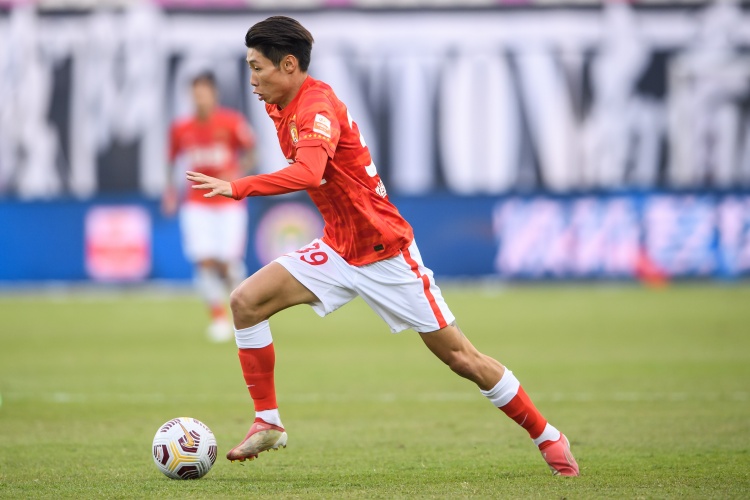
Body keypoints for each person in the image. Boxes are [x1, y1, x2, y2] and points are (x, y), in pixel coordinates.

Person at [187, 16, 579, 476]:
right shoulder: (281, 106)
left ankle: (548, 436)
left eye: (257, 68)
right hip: (339, 248)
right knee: (245, 302)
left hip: (384, 251)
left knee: (462, 359)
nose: (251, 80)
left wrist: (238, 187)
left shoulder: (315, 106)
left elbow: (310, 172)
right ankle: (268, 422)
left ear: (288, 65)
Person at [163, 71, 256, 342]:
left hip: (228, 202)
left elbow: (252, 152)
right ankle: (218, 318)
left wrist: (236, 171)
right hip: (196, 203)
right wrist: (170, 192)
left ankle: (246, 312)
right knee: (203, 259)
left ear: (214, 94)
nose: (199, 99)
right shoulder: (181, 128)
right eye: (195, 94)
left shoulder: (231, 122)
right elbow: (171, 161)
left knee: (228, 263)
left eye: (203, 93)